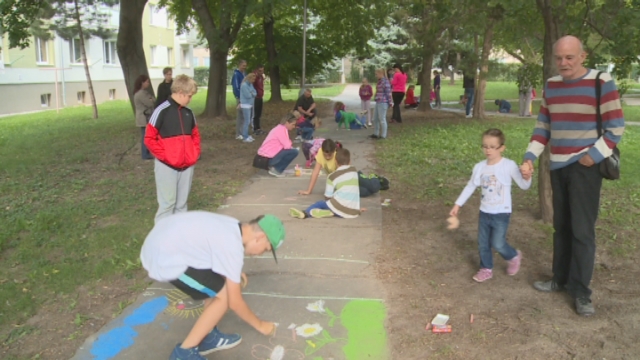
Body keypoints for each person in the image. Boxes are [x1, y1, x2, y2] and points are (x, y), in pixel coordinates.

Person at [521, 35, 625, 317]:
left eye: (569, 57)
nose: (563, 63)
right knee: (561, 227)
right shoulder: (552, 86)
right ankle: (560, 279)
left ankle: (581, 292)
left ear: (583, 56)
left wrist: (593, 156)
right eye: (559, 58)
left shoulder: (600, 82)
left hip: (585, 167)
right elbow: (543, 125)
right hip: (557, 166)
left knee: (582, 232)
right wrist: (530, 155)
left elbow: (615, 127)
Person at [140, 211, 283, 360]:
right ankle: (184, 353)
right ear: (260, 237)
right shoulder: (232, 247)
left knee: (218, 287)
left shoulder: (233, 226)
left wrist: (231, 271)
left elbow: (213, 248)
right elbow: (235, 302)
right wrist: (261, 325)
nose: (260, 254)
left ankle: (208, 336)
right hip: (164, 260)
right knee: (225, 296)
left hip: (162, 243)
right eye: (266, 249)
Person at [450, 128, 531, 283]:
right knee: (482, 243)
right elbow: (470, 186)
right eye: (485, 146)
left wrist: (527, 177)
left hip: (501, 213)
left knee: (498, 243)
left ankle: (513, 256)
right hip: (484, 212)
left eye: (492, 146)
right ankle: (486, 268)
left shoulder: (509, 165)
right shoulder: (479, 167)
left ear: (501, 148)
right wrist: (457, 204)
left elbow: (523, 185)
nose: (488, 150)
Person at [145, 75, 201, 223]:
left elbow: (195, 136)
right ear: (181, 92)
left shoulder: (189, 112)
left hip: (187, 166)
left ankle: (179, 239)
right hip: (166, 166)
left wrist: (193, 155)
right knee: (167, 205)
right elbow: (149, 138)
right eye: (189, 96)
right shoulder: (161, 111)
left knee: (181, 205)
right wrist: (166, 156)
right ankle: (161, 241)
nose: (190, 99)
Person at [290, 148, 360, 219]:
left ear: (335, 161)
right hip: (354, 212)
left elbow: (327, 197)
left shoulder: (332, 176)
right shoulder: (354, 171)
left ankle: (306, 213)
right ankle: (330, 212)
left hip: (339, 208)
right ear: (350, 162)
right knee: (337, 206)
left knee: (320, 203)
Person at [257, 112, 300, 178]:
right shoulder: (281, 130)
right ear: (287, 122)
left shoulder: (279, 128)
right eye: (293, 124)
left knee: (290, 150)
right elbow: (287, 146)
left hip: (264, 158)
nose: (294, 127)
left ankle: (274, 167)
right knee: (294, 152)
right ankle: (277, 170)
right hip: (266, 159)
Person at [133, 74, 155, 160]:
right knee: (145, 136)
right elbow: (150, 102)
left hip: (146, 117)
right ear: (142, 83)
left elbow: (153, 99)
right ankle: (145, 154)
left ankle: (147, 152)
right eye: (147, 82)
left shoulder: (143, 93)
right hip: (143, 118)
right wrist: (151, 99)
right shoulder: (141, 94)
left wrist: (151, 99)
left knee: (147, 135)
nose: (148, 83)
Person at [369, 68, 393, 140]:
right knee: (375, 118)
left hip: (383, 102)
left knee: (382, 119)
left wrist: (390, 102)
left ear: (381, 73)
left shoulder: (385, 82)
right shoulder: (379, 81)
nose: (376, 76)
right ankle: (376, 133)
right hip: (378, 101)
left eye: (376, 74)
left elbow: (388, 93)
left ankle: (383, 135)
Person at [240, 73, 257, 143]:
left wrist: (252, 93)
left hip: (250, 104)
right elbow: (248, 95)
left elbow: (255, 93)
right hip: (245, 105)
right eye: (253, 79)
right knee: (246, 121)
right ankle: (245, 137)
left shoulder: (251, 85)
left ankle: (247, 135)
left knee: (249, 121)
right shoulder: (244, 85)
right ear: (249, 78)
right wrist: (252, 93)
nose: (254, 81)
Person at [232, 60, 247, 140]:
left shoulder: (244, 74)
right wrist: (240, 98)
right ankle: (238, 134)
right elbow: (236, 87)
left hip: (245, 97)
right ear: (240, 65)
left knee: (244, 116)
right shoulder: (236, 74)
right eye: (243, 65)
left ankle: (243, 132)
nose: (244, 67)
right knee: (240, 116)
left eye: (245, 65)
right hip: (240, 98)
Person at [253, 65, 266, 135]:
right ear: (257, 70)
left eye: (262, 71)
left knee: (259, 114)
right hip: (256, 97)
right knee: (255, 114)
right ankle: (255, 128)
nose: (261, 72)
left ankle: (258, 128)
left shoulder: (261, 77)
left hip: (260, 97)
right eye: (260, 71)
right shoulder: (254, 76)